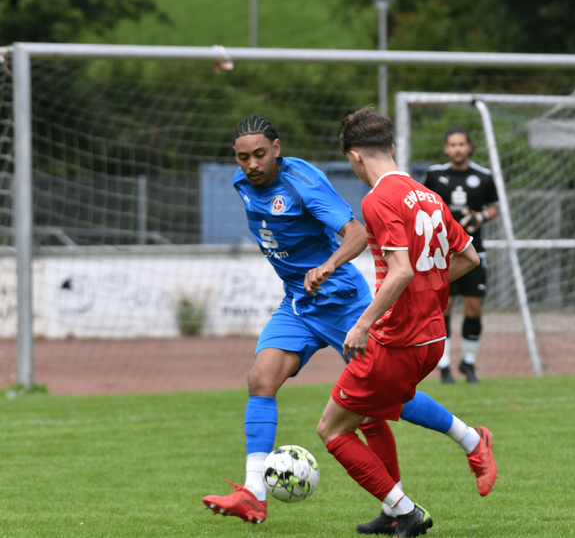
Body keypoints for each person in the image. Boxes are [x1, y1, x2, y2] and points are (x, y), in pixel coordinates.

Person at [203, 115, 497, 526]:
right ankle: (254, 493)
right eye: (242, 158)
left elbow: (356, 235)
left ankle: (453, 452)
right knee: (261, 380)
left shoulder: (305, 180)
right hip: (299, 304)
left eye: (259, 155)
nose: (251, 165)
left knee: (379, 403)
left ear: (277, 149)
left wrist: (327, 267)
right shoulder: (242, 185)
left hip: (342, 300)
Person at [317, 106, 488, 538]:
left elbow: (401, 272)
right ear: (391, 148)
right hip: (432, 339)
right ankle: (404, 499)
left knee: (332, 431)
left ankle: (406, 511)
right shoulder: (427, 194)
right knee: (371, 415)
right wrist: (429, 288)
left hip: (396, 338)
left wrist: (361, 325)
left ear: (355, 157)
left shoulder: (377, 199)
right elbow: (468, 258)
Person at [422, 126, 499, 384]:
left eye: (461, 144)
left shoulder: (484, 176)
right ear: (446, 148)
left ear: (469, 147)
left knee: (474, 308)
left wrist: (480, 216)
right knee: (444, 308)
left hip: (474, 254)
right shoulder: (434, 175)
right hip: (442, 256)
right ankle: (442, 365)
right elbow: (422, 204)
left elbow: (493, 208)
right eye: (452, 145)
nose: (457, 149)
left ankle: (468, 363)